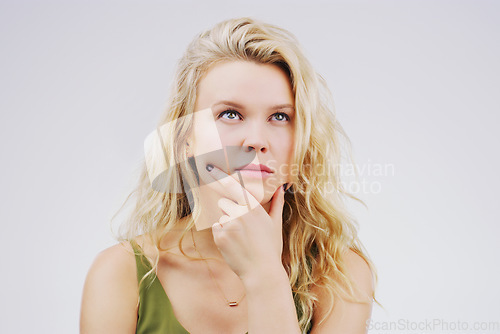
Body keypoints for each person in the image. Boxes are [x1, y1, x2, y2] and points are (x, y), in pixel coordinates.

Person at [80, 17, 378, 334]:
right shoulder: (120, 273)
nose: (256, 140)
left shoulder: (339, 274)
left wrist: (264, 276)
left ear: (300, 145)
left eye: (280, 117)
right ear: (185, 140)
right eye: (230, 114)